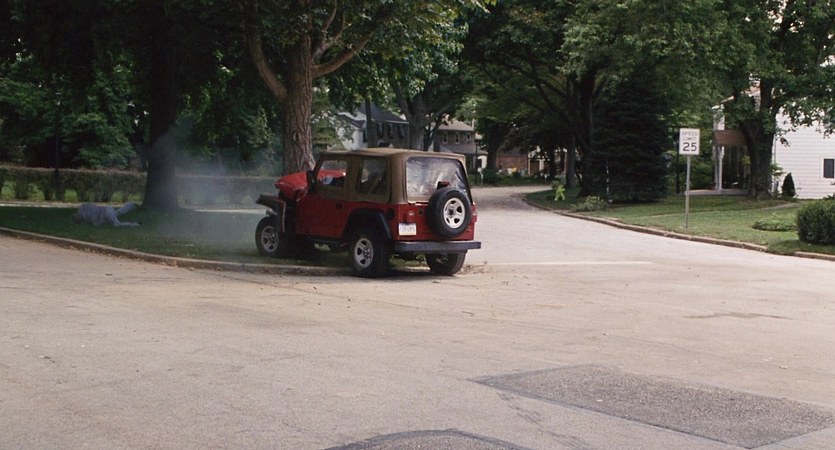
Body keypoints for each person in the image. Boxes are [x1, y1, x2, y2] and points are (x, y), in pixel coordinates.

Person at [72, 202, 140, 227]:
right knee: (118, 212)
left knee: (117, 224)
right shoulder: (82, 207)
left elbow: (96, 222)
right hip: (107, 208)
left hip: (106, 213)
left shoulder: (85, 216)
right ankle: (131, 205)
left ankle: (135, 224)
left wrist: (98, 224)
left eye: (78, 221)